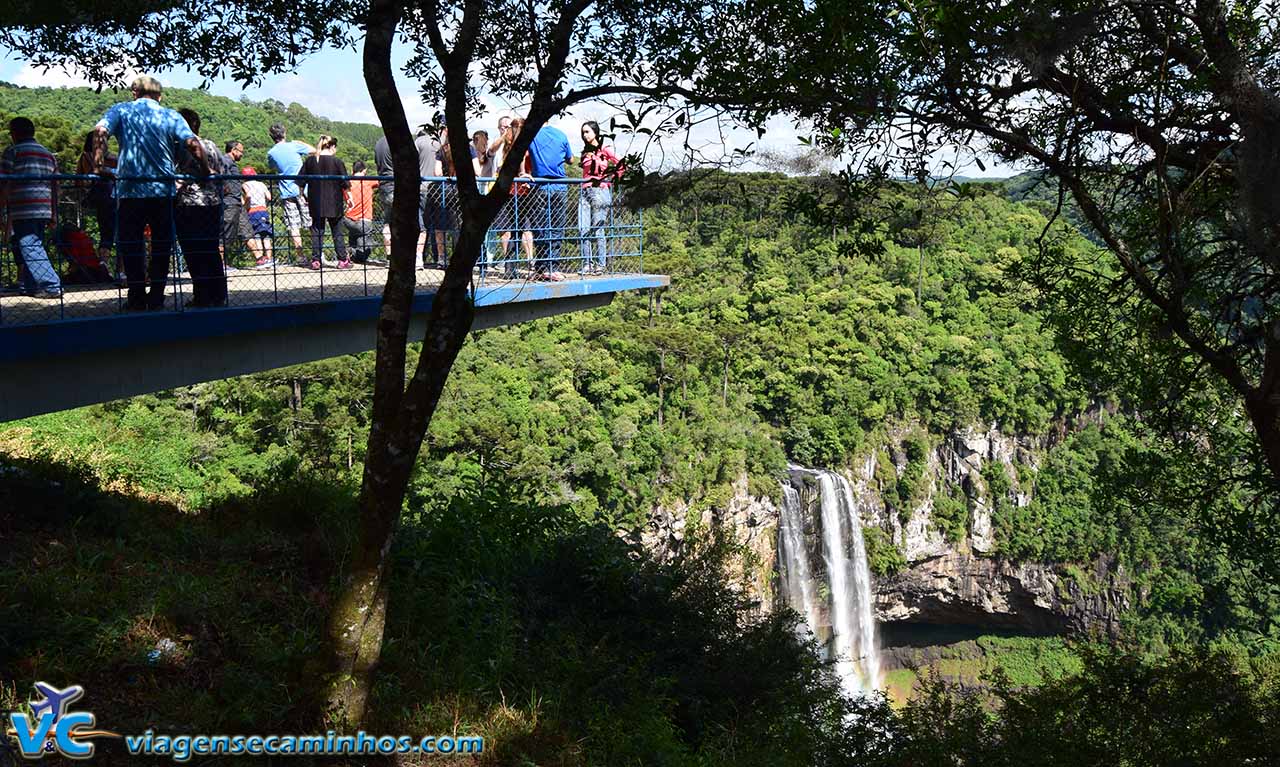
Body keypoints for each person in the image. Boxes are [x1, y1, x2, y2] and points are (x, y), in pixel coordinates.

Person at [92, 75, 209, 311]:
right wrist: (206, 170)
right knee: (161, 246)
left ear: (134, 92)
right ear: (160, 95)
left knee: (131, 245)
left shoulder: (121, 110)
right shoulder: (170, 115)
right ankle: (156, 296)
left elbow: (100, 131)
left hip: (130, 190)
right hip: (162, 192)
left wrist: (97, 165)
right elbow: (193, 144)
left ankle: (135, 297)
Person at [0, 117, 62, 299]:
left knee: (29, 246)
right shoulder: (48, 154)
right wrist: (54, 212)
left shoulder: (13, 151)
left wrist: (1, 209)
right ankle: (30, 286)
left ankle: (51, 285)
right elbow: (56, 185)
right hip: (44, 207)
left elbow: (3, 183)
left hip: (23, 207)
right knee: (34, 245)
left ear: (15, 133)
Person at [173, 108, 227, 307]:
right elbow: (221, 171)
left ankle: (202, 296)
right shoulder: (211, 145)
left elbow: (175, 175)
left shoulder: (180, 147)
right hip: (212, 203)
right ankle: (218, 294)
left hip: (189, 204)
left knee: (193, 251)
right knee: (211, 249)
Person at [527, 121, 573, 279]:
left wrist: (522, 172)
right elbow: (571, 159)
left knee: (540, 228)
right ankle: (552, 267)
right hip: (560, 186)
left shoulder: (531, 134)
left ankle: (542, 267)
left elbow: (520, 153)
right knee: (556, 227)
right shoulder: (561, 134)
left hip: (540, 185)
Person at [266, 123, 315, 266]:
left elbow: (272, 166)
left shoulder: (271, 153)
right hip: (303, 190)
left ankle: (300, 256)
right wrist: (301, 143)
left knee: (294, 226)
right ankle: (317, 254)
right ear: (284, 133)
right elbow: (313, 150)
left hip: (286, 192)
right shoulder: (294, 146)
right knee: (311, 222)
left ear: (271, 137)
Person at [299, 134, 350, 270]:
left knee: (317, 230)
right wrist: (349, 198)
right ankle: (342, 260)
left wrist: (302, 195)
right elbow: (345, 183)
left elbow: (301, 181)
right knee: (337, 231)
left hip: (315, 201)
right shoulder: (337, 162)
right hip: (334, 201)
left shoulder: (310, 161)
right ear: (332, 146)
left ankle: (316, 260)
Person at [494, 118, 536, 279]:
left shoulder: (515, 147)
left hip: (516, 192)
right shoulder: (514, 146)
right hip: (515, 193)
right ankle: (512, 268)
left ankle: (512, 268)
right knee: (516, 231)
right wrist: (525, 175)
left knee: (518, 231)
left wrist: (526, 175)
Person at [578, 121, 621, 275]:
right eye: (583, 132)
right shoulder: (585, 152)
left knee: (597, 229)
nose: (585, 135)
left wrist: (611, 179)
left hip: (600, 191)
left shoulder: (605, 149)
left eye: (587, 132)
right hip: (584, 191)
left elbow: (621, 165)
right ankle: (587, 264)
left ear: (596, 133)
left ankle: (601, 264)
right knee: (583, 228)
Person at [75, 131, 117, 279]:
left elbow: (78, 179)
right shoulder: (101, 157)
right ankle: (118, 270)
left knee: (106, 231)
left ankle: (104, 265)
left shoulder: (85, 156)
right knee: (117, 232)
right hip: (111, 196)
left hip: (101, 198)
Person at [218, 140, 258, 265]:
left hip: (237, 203)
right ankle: (221, 265)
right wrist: (226, 189)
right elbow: (220, 174)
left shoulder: (232, 163)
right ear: (233, 150)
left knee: (247, 230)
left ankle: (259, 258)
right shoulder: (225, 160)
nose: (242, 154)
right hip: (229, 203)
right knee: (226, 234)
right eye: (241, 151)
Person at [415, 127, 446, 268]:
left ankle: (420, 258)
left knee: (423, 225)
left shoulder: (419, 142)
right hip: (439, 189)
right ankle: (440, 257)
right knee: (439, 226)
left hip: (422, 186)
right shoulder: (440, 143)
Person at [344, 160, 379, 265]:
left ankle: (351, 251)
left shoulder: (347, 182)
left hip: (348, 219)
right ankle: (356, 254)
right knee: (365, 245)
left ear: (352, 170)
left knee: (354, 235)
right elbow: (382, 182)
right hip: (364, 221)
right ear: (364, 170)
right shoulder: (368, 181)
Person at [240, 167, 274, 268]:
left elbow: (249, 195)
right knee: (266, 236)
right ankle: (269, 260)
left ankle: (261, 261)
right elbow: (269, 197)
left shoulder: (245, 184)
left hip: (252, 211)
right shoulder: (261, 184)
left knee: (257, 236)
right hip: (263, 210)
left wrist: (245, 205)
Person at [374, 133, 395, 254]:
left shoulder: (378, 143)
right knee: (402, 220)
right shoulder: (396, 140)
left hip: (383, 185)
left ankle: (389, 254)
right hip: (396, 184)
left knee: (387, 221)